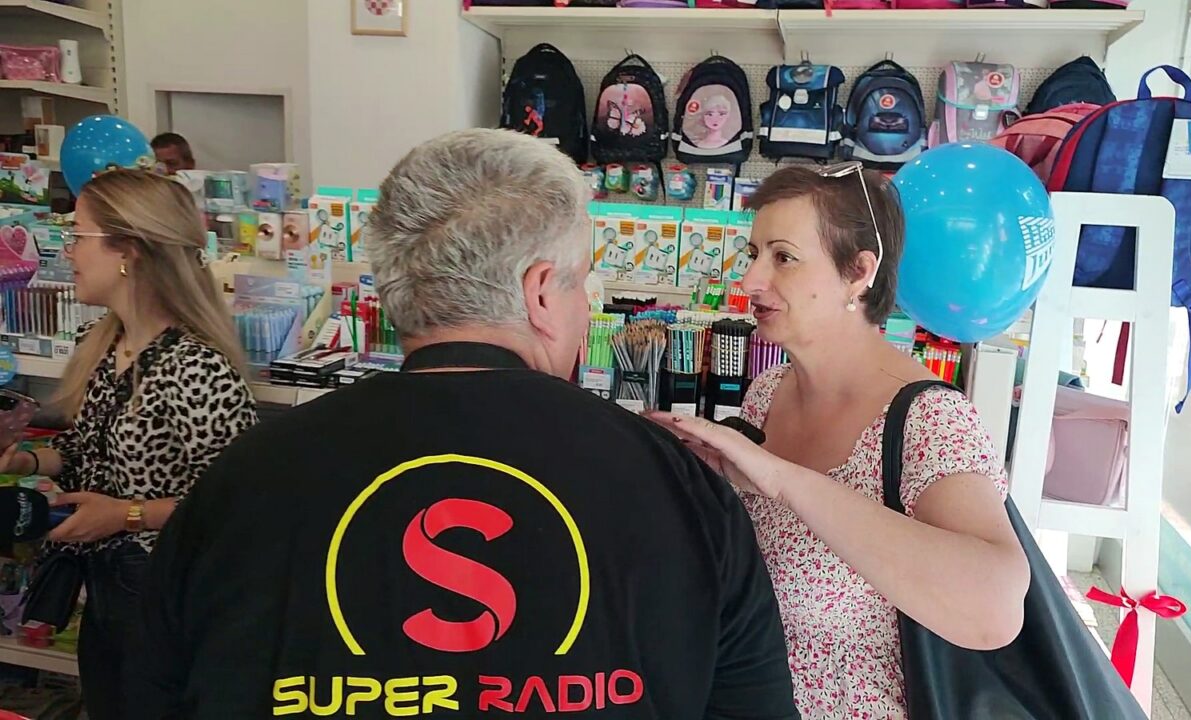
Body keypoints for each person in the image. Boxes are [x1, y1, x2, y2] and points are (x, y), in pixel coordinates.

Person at [134, 129, 799, 720]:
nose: (584, 309)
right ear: (541, 293)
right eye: (582, 284)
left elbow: (148, 690)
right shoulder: (676, 482)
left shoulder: (247, 478)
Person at [647, 165, 1030, 719]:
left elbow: (995, 609)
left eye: (783, 257)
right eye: (753, 254)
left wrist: (785, 481)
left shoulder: (928, 419)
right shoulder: (768, 392)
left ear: (858, 272)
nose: (751, 280)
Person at [0, 169, 258, 719]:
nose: (68, 251)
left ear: (129, 251)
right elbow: (84, 452)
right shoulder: (105, 344)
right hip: (107, 594)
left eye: (79, 236)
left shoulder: (196, 367)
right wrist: (24, 459)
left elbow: (237, 506)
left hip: (167, 599)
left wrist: (127, 515)